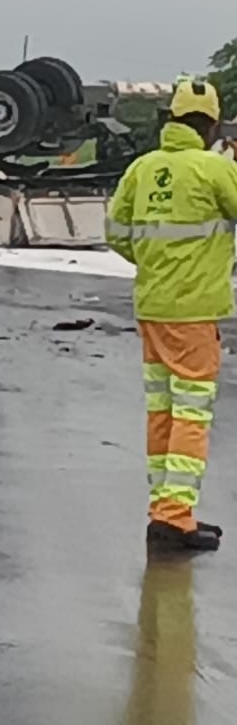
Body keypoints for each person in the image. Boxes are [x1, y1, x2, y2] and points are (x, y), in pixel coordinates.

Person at [106, 78, 237, 554]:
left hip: (152, 307)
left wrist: (156, 264)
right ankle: (175, 516)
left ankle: (163, 509)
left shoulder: (143, 169)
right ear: (213, 124)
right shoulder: (214, 169)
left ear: (172, 118)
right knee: (191, 412)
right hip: (194, 311)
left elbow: (116, 231)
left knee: (162, 410)